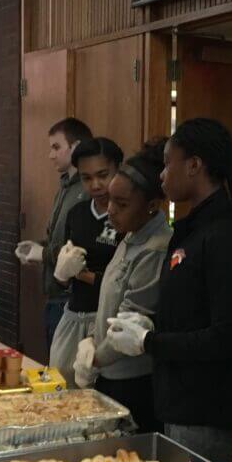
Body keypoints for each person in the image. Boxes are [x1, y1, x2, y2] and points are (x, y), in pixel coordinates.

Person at [105, 118, 232, 462]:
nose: (162, 175)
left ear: (194, 165)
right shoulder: (194, 227)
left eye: (167, 163)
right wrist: (148, 321)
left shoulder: (223, 234)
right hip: (178, 398)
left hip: (205, 405)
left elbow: (226, 335)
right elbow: (189, 311)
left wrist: (148, 341)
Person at [74, 139, 171, 434]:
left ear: (152, 206)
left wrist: (93, 361)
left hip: (134, 381)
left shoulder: (155, 248)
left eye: (122, 204)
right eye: (110, 202)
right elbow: (109, 300)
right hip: (109, 373)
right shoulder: (129, 236)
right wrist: (90, 339)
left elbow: (128, 324)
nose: (111, 211)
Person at [48, 136, 124, 385]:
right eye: (86, 177)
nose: (96, 184)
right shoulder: (77, 213)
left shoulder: (128, 215)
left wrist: (84, 275)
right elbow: (63, 279)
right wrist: (62, 274)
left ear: (118, 170)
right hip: (73, 313)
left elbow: (125, 282)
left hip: (107, 321)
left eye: (103, 174)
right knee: (60, 387)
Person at [15, 118, 93, 352]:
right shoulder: (65, 186)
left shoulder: (87, 190)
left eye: (56, 147)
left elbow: (82, 249)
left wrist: (45, 253)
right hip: (54, 293)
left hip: (72, 296)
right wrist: (37, 246)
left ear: (76, 146)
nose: (51, 155)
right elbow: (59, 238)